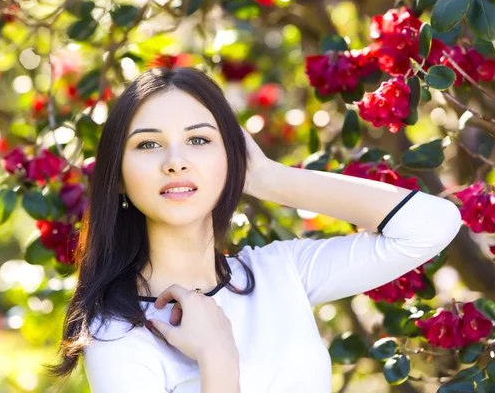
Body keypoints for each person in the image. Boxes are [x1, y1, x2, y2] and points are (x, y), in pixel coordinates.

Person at [46, 66, 462, 392]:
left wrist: (266, 178)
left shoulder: (281, 273)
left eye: (199, 140)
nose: (175, 161)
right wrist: (216, 356)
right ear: (117, 175)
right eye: (148, 144)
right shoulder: (117, 332)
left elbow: (431, 225)